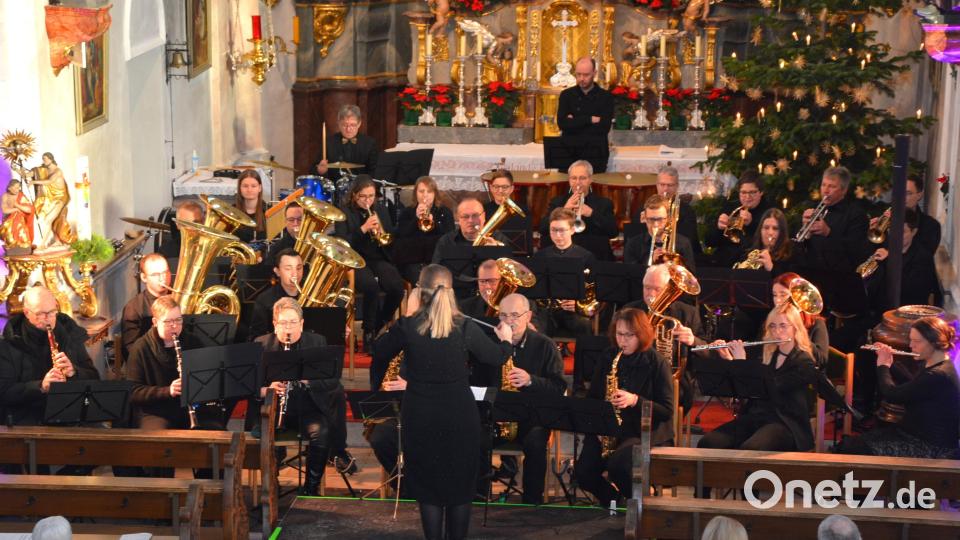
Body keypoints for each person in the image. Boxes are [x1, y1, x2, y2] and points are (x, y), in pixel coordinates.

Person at [374, 264, 513, 540]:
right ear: (451, 292)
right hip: (460, 416)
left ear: (420, 292)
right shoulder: (464, 326)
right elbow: (495, 357)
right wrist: (506, 341)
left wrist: (409, 313)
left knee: (428, 489)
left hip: (421, 416)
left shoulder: (408, 326)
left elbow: (378, 349)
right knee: (460, 489)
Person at [574, 308, 674, 507]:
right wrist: (597, 428)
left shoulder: (657, 362)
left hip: (641, 430)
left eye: (630, 335)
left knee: (619, 465)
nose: (623, 341)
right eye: (620, 334)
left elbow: (667, 409)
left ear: (642, 334)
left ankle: (640, 505)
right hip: (609, 428)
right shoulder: (608, 357)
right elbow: (593, 397)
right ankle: (615, 500)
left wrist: (635, 400)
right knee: (583, 472)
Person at [254, 298, 350, 494]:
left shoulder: (317, 342)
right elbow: (247, 386)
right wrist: (266, 389)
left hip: (308, 408)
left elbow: (332, 381)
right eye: (283, 323)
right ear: (274, 324)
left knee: (321, 432)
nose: (288, 328)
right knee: (264, 436)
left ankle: (311, 489)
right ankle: (271, 484)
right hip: (271, 410)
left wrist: (310, 381)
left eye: (293, 322)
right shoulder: (261, 345)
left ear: (302, 323)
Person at [697, 304, 817, 452]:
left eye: (783, 326)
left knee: (750, 449)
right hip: (756, 418)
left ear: (795, 329)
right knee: (708, 443)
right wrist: (730, 361)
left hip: (785, 424)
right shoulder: (766, 355)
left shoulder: (803, 361)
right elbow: (746, 389)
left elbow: (769, 388)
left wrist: (741, 362)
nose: (777, 331)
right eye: (772, 326)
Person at [835, 316, 959, 459]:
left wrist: (883, 366)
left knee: (854, 449)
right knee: (853, 444)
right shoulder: (938, 363)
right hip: (915, 433)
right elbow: (913, 385)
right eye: (911, 340)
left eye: (917, 341)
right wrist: (890, 362)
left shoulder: (939, 375)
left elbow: (892, 394)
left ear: (934, 342)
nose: (911, 345)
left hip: (930, 445)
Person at [493, 293, 566, 505]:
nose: (509, 321)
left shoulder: (545, 346)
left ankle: (530, 503)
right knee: (474, 435)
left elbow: (559, 387)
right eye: (504, 315)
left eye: (515, 315)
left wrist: (531, 381)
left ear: (528, 317)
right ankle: (477, 498)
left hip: (532, 418)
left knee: (535, 441)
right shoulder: (490, 341)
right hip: (498, 417)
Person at [0, 286, 100, 426]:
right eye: (41, 314)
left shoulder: (70, 334)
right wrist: (41, 386)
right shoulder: (9, 343)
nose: (48, 319)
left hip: (70, 414)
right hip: (28, 418)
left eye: (52, 312)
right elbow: (4, 392)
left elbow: (94, 378)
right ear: (27, 313)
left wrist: (74, 372)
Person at [125, 296, 216, 431]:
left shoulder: (192, 342)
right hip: (155, 411)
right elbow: (133, 392)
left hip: (188, 406)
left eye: (178, 320)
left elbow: (209, 378)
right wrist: (168, 391)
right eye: (168, 321)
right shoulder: (141, 348)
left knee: (215, 432)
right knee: (159, 438)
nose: (175, 326)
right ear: (155, 322)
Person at [334, 176, 405, 349]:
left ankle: (378, 325)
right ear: (354, 195)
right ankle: (368, 332)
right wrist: (363, 229)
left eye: (371, 196)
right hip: (355, 258)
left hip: (377, 257)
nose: (368, 201)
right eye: (363, 197)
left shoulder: (380, 208)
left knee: (396, 288)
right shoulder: (343, 212)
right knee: (370, 287)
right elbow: (344, 243)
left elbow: (390, 237)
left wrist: (382, 233)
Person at [624, 264, 704, 413]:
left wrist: (693, 340)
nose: (651, 294)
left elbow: (707, 350)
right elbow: (615, 345)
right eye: (647, 288)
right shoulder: (629, 311)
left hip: (673, 382)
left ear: (668, 288)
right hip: (635, 375)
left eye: (657, 289)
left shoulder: (688, 313)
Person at [534, 208, 597, 338]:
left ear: (573, 230)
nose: (557, 235)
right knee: (537, 326)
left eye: (562, 230)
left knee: (584, 325)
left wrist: (578, 305)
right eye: (553, 230)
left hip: (574, 312)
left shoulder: (586, 256)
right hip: (547, 311)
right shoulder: (540, 256)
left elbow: (594, 289)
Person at [797, 166, 870, 275]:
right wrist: (806, 234)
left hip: (840, 277)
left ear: (843, 190)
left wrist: (828, 232)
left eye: (831, 186)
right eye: (823, 185)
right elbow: (801, 248)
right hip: (812, 272)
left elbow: (855, 251)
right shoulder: (813, 209)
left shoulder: (856, 215)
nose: (825, 190)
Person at [863, 208, 942, 308]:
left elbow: (913, 293)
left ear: (914, 232)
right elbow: (869, 285)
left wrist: (890, 261)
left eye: (902, 232)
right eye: (892, 230)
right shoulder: (883, 248)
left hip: (906, 312)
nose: (896, 236)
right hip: (878, 309)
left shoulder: (923, 257)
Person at [539, 160, 617, 261]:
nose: (577, 182)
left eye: (582, 178)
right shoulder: (557, 201)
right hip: (562, 256)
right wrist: (564, 210)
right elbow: (543, 229)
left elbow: (613, 232)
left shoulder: (604, 203)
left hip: (593, 254)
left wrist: (591, 213)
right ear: (569, 180)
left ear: (590, 179)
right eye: (574, 178)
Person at [431, 198, 508, 298]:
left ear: (484, 216)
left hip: (490, 294)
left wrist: (496, 253)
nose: (471, 221)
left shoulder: (499, 238)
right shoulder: (446, 241)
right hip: (456, 295)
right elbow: (435, 271)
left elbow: (509, 275)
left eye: (475, 215)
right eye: (465, 217)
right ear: (458, 219)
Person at [556, 57, 614, 173]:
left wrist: (574, 121)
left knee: (595, 190)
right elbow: (562, 124)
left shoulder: (606, 97)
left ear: (594, 73)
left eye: (586, 75)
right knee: (566, 190)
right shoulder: (566, 95)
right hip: (569, 153)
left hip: (596, 155)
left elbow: (604, 127)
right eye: (578, 74)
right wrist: (590, 119)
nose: (581, 79)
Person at [394, 176, 454, 285]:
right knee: (425, 283)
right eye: (421, 191)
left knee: (440, 282)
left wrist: (434, 223)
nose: (425, 195)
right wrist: (415, 219)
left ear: (435, 194)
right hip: (412, 262)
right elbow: (400, 237)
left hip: (438, 261)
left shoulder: (445, 212)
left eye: (429, 191)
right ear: (415, 193)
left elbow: (450, 237)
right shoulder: (407, 213)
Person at [632, 166, 701, 258]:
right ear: (656, 185)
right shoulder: (643, 209)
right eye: (662, 184)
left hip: (679, 254)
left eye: (670, 185)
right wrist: (642, 224)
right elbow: (635, 240)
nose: (665, 189)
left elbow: (689, 239)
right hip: (648, 253)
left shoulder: (687, 211)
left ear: (677, 186)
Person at [708, 172, 771, 266]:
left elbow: (769, 243)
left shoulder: (769, 212)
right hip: (725, 264)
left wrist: (751, 224)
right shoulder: (729, 208)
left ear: (761, 192)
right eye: (743, 192)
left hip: (752, 265)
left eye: (752, 192)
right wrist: (718, 228)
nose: (747, 197)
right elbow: (710, 242)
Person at [869, 175, 941, 255]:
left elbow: (924, 257)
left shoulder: (931, 225)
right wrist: (870, 234)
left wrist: (890, 255)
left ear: (919, 195)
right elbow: (869, 254)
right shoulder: (884, 221)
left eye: (907, 193)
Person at [624, 194, 697, 272]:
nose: (656, 224)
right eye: (651, 219)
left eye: (660, 219)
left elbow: (690, 277)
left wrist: (674, 264)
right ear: (644, 218)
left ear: (668, 218)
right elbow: (631, 276)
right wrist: (650, 261)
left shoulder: (683, 243)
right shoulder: (633, 244)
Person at [121, 253, 172, 361]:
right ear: (144, 277)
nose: (163, 278)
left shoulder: (180, 299)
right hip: (151, 363)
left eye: (165, 272)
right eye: (155, 274)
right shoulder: (134, 308)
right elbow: (131, 350)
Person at [27, 152, 76, 252]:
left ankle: (43, 244)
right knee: (52, 220)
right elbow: (29, 174)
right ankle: (57, 241)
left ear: (51, 159)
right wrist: (18, 167)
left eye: (45, 159)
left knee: (49, 220)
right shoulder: (43, 169)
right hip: (51, 198)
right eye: (43, 159)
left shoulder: (58, 171)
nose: (44, 161)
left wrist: (34, 182)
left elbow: (49, 181)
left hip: (60, 198)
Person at [249, 248, 302, 339]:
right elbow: (257, 337)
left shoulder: (312, 296)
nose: (295, 274)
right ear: (277, 272)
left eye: (299, 268)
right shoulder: (264, 300)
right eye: (288, 269)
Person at [314, 105, 380, 179]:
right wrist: (320, 171)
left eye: (352, 125)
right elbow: (313, 170)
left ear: (359, 124)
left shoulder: (369, 144)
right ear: (338, 124)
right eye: (344, 125)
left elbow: (375, 172)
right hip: (335, 187)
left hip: (361, 188)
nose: (348, 129)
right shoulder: (328, 143)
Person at [736, 208, 797, 276]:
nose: (770, 232)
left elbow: (790, 283)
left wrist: (771, 267)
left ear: (781, 232)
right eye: (766, 227)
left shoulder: (790, 254)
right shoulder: (749, 252)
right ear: (760, 230)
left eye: (775, 228)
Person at [482, 170, 529, 236]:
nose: (500, 191)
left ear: (512, 189)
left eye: (504, 187)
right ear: (491, 188)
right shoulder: (483, 210)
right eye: (496, 186)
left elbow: (526, 239)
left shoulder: (523, 211)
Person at [263, 202, 303, 269]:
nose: (296, 223)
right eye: (291, 220)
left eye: (300, 219)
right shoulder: (276, 249)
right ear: (285, 222)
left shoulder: (316, 246)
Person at [233, 170, 269, 243]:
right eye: (245, 186)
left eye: (253, 186)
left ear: (259, 188)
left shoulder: (269, 211)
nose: (249, 190)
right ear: (240, 188)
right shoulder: (232, 211)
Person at [0, 178, 34, 250]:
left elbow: (29, 210)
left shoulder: (21, 196)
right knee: (8, 229)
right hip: (7, 222)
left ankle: (22, 243)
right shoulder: (5, 196)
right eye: (15, 188)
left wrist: (17, 206)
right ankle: (13, 244)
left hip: (20, 221)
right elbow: (5, 210)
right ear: (9, 188)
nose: (17, 189)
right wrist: (15, 209)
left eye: (18, 187)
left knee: (18, 219)